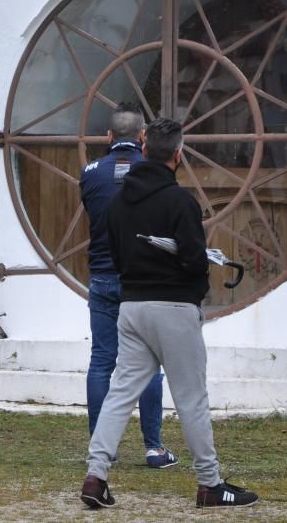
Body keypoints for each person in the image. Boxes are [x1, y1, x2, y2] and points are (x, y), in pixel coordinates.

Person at [81, 118, 258, 509]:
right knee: (191, 398)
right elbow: (195, 261)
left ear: (144, 150)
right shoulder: (180, 202)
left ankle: (96, 476)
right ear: (177, 156)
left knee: (120, 393)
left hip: (131, 307)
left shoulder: (117, 202)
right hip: (174, 308)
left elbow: (115, 252)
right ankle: (210, 484)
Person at [80, 103, 176, 469]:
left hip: (103, 276)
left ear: (108, 137)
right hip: (143, 279)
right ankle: (154, 448)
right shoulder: (155, 173)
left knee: (102, 360)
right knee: (149, 363)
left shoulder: (90, 173)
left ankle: (102, 448)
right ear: (142, 136)